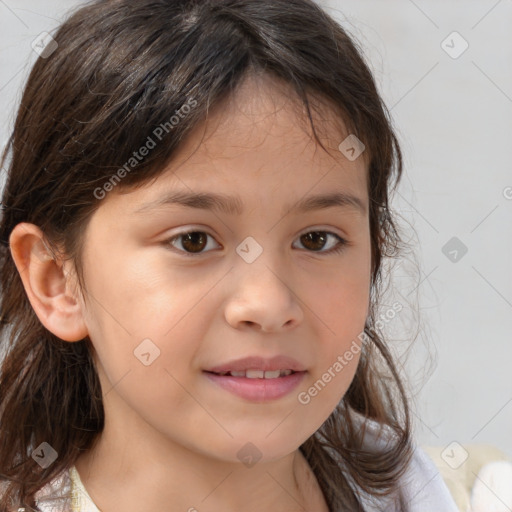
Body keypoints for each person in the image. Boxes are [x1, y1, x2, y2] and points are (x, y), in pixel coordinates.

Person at [0, 0, 459, 510]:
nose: (267, 305)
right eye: (193, 240)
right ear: (56, 282)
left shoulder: (441, 491)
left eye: (316, 239)